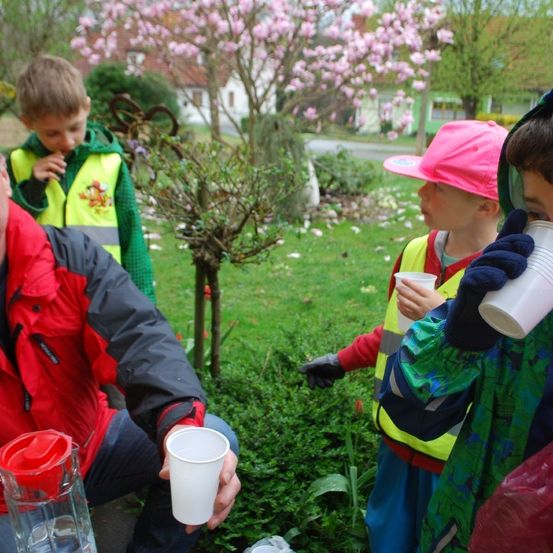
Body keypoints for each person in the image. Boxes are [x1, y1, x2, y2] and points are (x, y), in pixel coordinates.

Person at [0, 153, 240, 552]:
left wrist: (178, 425)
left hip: (88, 449)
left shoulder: (70, 258)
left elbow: (139, 337)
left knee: (209, 436)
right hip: (7, 499)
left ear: (3, 178)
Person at [299, 120, 507, 553]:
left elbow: (510, 373)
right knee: (387, 540)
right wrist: (342, 360)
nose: (421, 193)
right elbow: (395, 333)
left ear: (486, 205)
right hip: (395, 440)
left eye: (438, 186)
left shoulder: (507, 280)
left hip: (454, 461)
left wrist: (448, 320)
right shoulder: (415, 251)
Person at [379, 89, 553, 552]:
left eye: (438, 184)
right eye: (538, 214)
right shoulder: (510, 292)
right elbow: (410, 404)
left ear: (486, 206)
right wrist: (458, 333)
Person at [7, 54, 155, 303]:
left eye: (75, 127)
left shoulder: (111, 162)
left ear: (87, 107)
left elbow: (131, 235)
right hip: (44, 300)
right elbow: (10, 235)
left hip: (104, 293)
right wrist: (32, 189)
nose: (66, 141)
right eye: (52, 133)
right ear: (28, 123)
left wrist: (145, 305)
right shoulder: (18, 164)